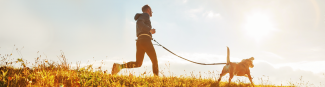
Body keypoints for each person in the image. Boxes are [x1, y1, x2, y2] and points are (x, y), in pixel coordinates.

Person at [111, 4, 158, 76]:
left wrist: (149, 33)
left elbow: (140, 24)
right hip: (145, 40)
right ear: (148, 10)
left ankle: (119, 66)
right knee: (154, 60)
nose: (151, 12)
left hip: (140, 41)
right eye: (151, 11)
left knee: (138, 63)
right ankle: (156, 78)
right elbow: (139, 22)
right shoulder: (146, 15)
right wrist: (150, 30)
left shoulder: (142, 16)